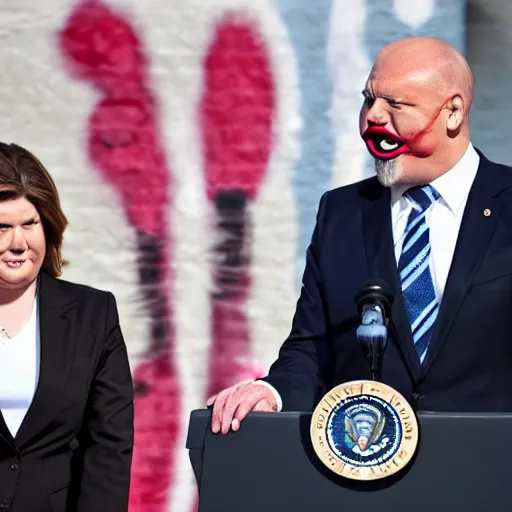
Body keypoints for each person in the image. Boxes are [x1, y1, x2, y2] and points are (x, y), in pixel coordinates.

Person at [208, 36, 512, 435]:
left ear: (452, 112)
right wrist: (273, 392)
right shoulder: (342, 213)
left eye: (395, 105)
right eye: (369, 100)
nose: (373, 118)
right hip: (366, 473)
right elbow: (312, 346)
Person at [0, 143, 134, 511]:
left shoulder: (94, 314)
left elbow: (109, 445)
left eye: (30, 224)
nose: (18, 243)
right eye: (2, 227)